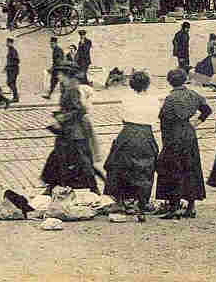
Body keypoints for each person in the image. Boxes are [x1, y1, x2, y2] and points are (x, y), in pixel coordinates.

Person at [156, 68, 213, 219]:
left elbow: (164, 119)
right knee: (191, 168)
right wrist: (197, 122)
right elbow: (207, 109)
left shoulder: (171, 99)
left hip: (174, 136)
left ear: (169, 82)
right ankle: (191, 206)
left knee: (173, 169)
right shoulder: (193, 94)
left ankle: (174, 207)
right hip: (189, 134)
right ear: (185, 79)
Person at [103, 71, 160, 216]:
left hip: (127, 133)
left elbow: (123, 117)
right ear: (147, 85)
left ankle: (121, 201)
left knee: (118, 165)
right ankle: (142, 201)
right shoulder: (154, 100)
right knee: (145, 168)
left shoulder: (126, 99)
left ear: (131, 84)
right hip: (146, 134)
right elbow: (155, 118)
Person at [41, 61, 99, 194]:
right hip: (69, 131)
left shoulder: (72, 89)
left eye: (60, 74)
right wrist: (59, 114)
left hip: (74, 132)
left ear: (67, 74)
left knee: (79, 161)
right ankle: (52, 186)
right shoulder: (68, 86)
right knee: (59, 158)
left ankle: (92, 188)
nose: (58, 76)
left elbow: (79, 110)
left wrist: (62, 117)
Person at [4, 37, 20, 103]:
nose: (6, 44)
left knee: (10, 83)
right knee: (11, 83)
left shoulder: (13, 50)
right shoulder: (10, 50)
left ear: (11, 43)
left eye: (7, 42)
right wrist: (6, 67)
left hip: (13, 70)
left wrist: (9, 66)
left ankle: (16, 97)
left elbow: (17, 60)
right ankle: (15, 97)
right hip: (11, 69)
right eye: (7, 42)